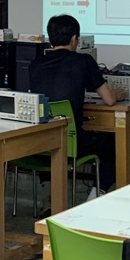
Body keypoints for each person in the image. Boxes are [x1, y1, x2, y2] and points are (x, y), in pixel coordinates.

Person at [27, 14, 118, 188]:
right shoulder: (84, 61)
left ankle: (51, 194)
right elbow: (109, 100)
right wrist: (118, 95)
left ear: (50, 39)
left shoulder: (35, 64)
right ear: (74, 38)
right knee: (113, 144)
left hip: (41, 143)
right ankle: (96, 195)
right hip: (72, 143)